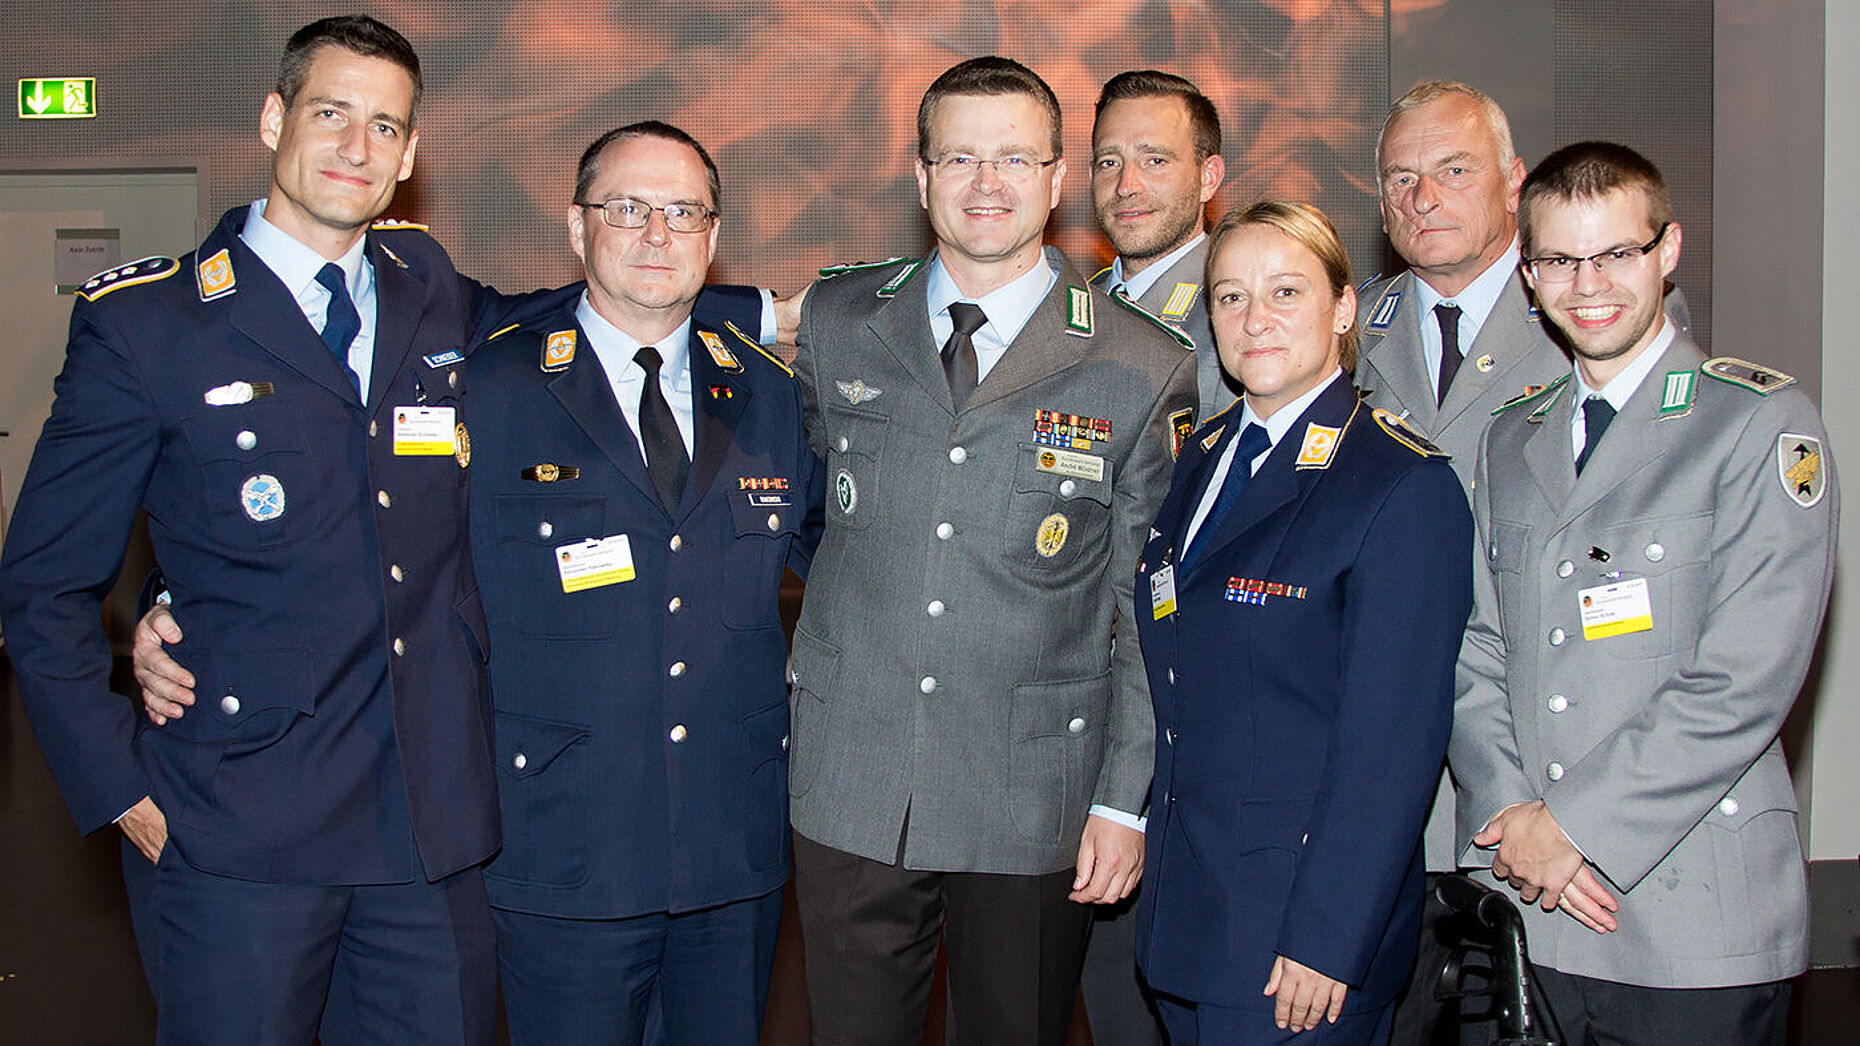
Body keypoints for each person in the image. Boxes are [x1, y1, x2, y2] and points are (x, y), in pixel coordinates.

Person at [0, 16, 506, 1043]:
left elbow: (593, 314)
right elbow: (39, 586)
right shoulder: (150, 323)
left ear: (410, 156)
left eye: (384, 126)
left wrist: (781, 312)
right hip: (237, 829)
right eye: (331, 114)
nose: (355, 148)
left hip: (427, 833)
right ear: (274, 118)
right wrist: (118, 785)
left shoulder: (437, 296)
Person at [786, 56, 1197, 1046]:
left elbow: (1147, 608)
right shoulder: (838, 322)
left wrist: (1123, 797)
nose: (986, 182)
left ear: (1058, 179)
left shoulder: (1143, 360)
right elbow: (814, 514)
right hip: (853, 781)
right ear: (921, 177)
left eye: (1015, 156)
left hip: (1034, 797)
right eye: (959, 156)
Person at [1453, 141, 1835, 1045]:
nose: (1589, 285)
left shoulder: (1757, 423)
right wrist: (1513, 823)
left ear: (1666, 252)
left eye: (1617, 253)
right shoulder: (1513, 440)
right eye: (1559, 260)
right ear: (1528, 273)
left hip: (1692, 917)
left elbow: (1742, 682)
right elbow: (1478, 646)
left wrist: (1575, 827)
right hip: (1537, 908)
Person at [464, 121, 824, 1043]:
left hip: (728, 841)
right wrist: (174, 600)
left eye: (682, 212)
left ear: (714, 237)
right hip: (562, 833)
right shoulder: (493, 388)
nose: (657, 234)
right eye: (628, 208)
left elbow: (844, 565)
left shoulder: (772, 391)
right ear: (578, 229)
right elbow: (392, 553)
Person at [1134, 200, 1473, 1045]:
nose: (1255, 320)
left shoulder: (1397, 484)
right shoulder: (1208, 454)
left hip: (1297, 942)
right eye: (1230, 297)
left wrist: (1330, 936)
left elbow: (1391, 746)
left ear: (1344, 309)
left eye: (1286, 292)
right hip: (1190, 913)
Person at [1089, 69, 1234, 426]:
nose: (1126, 186)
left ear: (1208, 177)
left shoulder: (1239, 311)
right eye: (1109, 162)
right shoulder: (1071, 306)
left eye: (1155, 161)